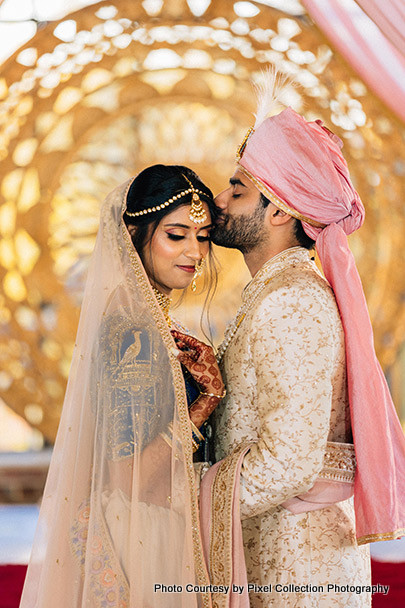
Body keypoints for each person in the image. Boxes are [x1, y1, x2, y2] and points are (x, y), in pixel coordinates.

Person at [205, 96, 405, 608]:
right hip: (282, 552)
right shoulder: (275, 292)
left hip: (299, 567)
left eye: (237, 188)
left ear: (278, 209)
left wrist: (188, 505)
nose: (219, 201)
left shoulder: (292, 301)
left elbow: (290, 461)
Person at [19, 164, 226, 608]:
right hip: (142, 533)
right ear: (136, 235)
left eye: (203, 235)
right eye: (176, 235)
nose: (195, 251)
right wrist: (205, 402)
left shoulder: (143, 320)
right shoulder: (134, 332)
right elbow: (129, 473)